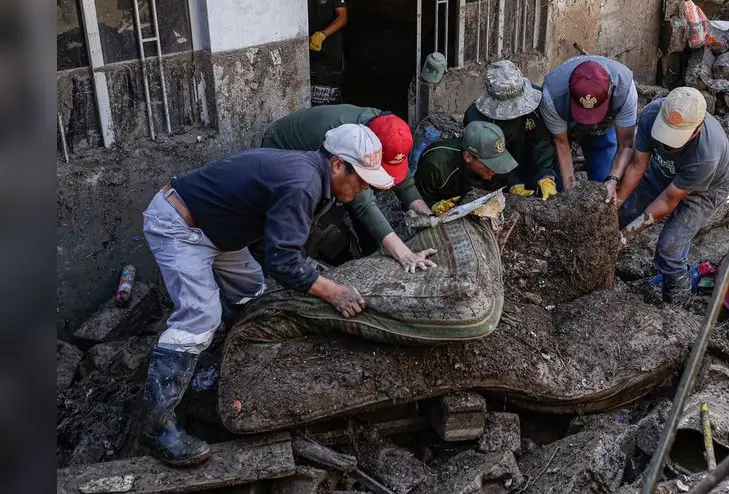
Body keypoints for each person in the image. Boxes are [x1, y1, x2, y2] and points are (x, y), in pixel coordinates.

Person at [137, 124, 422, 466]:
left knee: (253, 291)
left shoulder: (313, 175)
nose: (362, 187)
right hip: (182, 227)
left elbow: (282, 255)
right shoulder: (302, 184)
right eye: (359, 178)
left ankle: (225, 358)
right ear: (336, 165)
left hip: (217, 229)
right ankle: (157, 427)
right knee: (200, 315)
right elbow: (282, 260)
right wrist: (331, 290)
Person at [261, 104, 436, 267]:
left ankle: (365, 251)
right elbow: (364, 205)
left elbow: (404, 184)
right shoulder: (351, 139)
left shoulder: (389, 130)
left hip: (325, 160)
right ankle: (285, 260)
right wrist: (405, 254)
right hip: (283, 149)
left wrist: (431, 217)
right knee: (305, 217)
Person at [616, 87, 729, 303]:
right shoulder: (652, 114)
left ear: (698, 127)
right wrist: (617, 202)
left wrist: (627, 235)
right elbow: (637, 166)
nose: (668, 143)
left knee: (669, 248)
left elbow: (667, 200)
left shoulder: (706, 154)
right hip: (663, 169)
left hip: (706, 189)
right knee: (624, 215)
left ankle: (677, 302)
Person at [539, 55, 639, 202]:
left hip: (602, 130)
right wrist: (570, 188)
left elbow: (626, 145)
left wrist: (613, 179)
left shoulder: (625, 91)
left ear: (610, 91)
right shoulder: (552, 95)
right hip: (566, 125)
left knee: (604, 191)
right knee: (559, 195)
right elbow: (561, 142)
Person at [464, 60, 557, 200]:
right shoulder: (476, 117)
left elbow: (542, 140)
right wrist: (512, 182)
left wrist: (546, 174)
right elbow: (486, 159)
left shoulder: (538, 101)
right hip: (496, 174)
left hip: (531, 161)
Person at [414, 121, 518, 215]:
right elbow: (416, 197)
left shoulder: (492, 159)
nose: (495, 170)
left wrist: (514, 185)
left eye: (498, 163)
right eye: (490, 165)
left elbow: (506, 176)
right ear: (467, 156)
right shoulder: (436, 164)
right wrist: (433, 206)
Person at [306, 0, 348, 94]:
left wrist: (322, 35)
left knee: (330, 91)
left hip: (330, 46)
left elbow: (342, 17)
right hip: (306, 46)